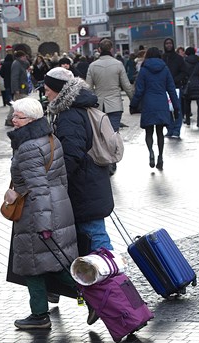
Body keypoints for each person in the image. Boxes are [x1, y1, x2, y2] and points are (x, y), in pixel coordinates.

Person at [6, 98, 79, 330]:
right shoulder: (50, 138)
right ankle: (87, 296)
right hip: (57, 206)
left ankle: (44, 314)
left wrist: (44, 224)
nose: (13, 120)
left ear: (32, 119)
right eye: (14, 115)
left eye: (18, 117)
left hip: (37, 212)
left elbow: (37, 189)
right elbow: (61, 178)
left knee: (36, 264)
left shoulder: (27, 147)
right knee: (50, 263)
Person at [44, 67, 114, 253]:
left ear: (58, 89)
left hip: (84, 187)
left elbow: (71, 155)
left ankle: (115, 279)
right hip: (91, 183)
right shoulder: (76, 108)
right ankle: (107, 278)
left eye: (47, 89)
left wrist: (57, 180)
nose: (45, 94)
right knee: (94, 237)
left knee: (96, 240)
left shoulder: (70, 115)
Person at [86, 39, 134, 174]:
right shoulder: (118, 64)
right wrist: (133, 101)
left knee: (101, 134)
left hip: (99, 105)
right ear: (111, 49)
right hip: (115, 104)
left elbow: (88, 87)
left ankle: (103, 160)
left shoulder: (93, 66)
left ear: (99, 50)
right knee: (113, 133)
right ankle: (113, 160)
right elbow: (126, 85)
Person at [130, 47, 181, 170]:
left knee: (149, 132)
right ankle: (160, 156)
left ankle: (151, 152)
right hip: (161, 103)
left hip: (148, 103)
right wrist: (176, 107)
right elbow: (171, 89)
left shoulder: (144, 70)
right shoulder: (165, 69)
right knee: (160, 132)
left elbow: (139, 90)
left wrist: (133, 104)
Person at [162, 38, 188, 138]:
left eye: (170, 43)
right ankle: (170, 128)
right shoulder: (162, 58)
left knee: (177, 108)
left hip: (176, 86)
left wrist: (175, 79)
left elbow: (184, 72)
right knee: (167, 109)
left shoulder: (178, 58)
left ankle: (177, 129)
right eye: (167, 43)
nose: (168, 45)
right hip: (164, 87)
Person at [182, 47, 199, 127]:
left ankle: (188, 120)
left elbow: (183, 73)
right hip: (197, 82)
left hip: (188, 84)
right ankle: (198, 121)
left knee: (187, 103)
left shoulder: (184, 62)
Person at [7, 50, 30, 125]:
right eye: (24, 57)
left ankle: (10, 119)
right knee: (17, 104)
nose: (25, 58)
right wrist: (16, 89)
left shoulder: (20, 63)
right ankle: (10, 119)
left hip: (22, 87)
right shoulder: (16, 64)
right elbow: (15, 77)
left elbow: (27, 64)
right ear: (21, 57)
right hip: (20, 88)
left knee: (15, 104)